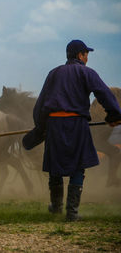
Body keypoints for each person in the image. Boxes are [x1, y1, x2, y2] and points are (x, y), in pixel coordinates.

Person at [23, 39, 121, 221]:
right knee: (78, 167)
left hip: (54, 124)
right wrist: (114, 115)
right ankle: (72, 213)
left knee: (55, 167)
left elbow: (40, 104)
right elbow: (105, 94)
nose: (87, 58)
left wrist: (41, 127)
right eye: (86, 55)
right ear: (80, 55)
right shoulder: (87, 72)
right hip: (77, 124)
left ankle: (56, 208)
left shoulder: (53, 73)